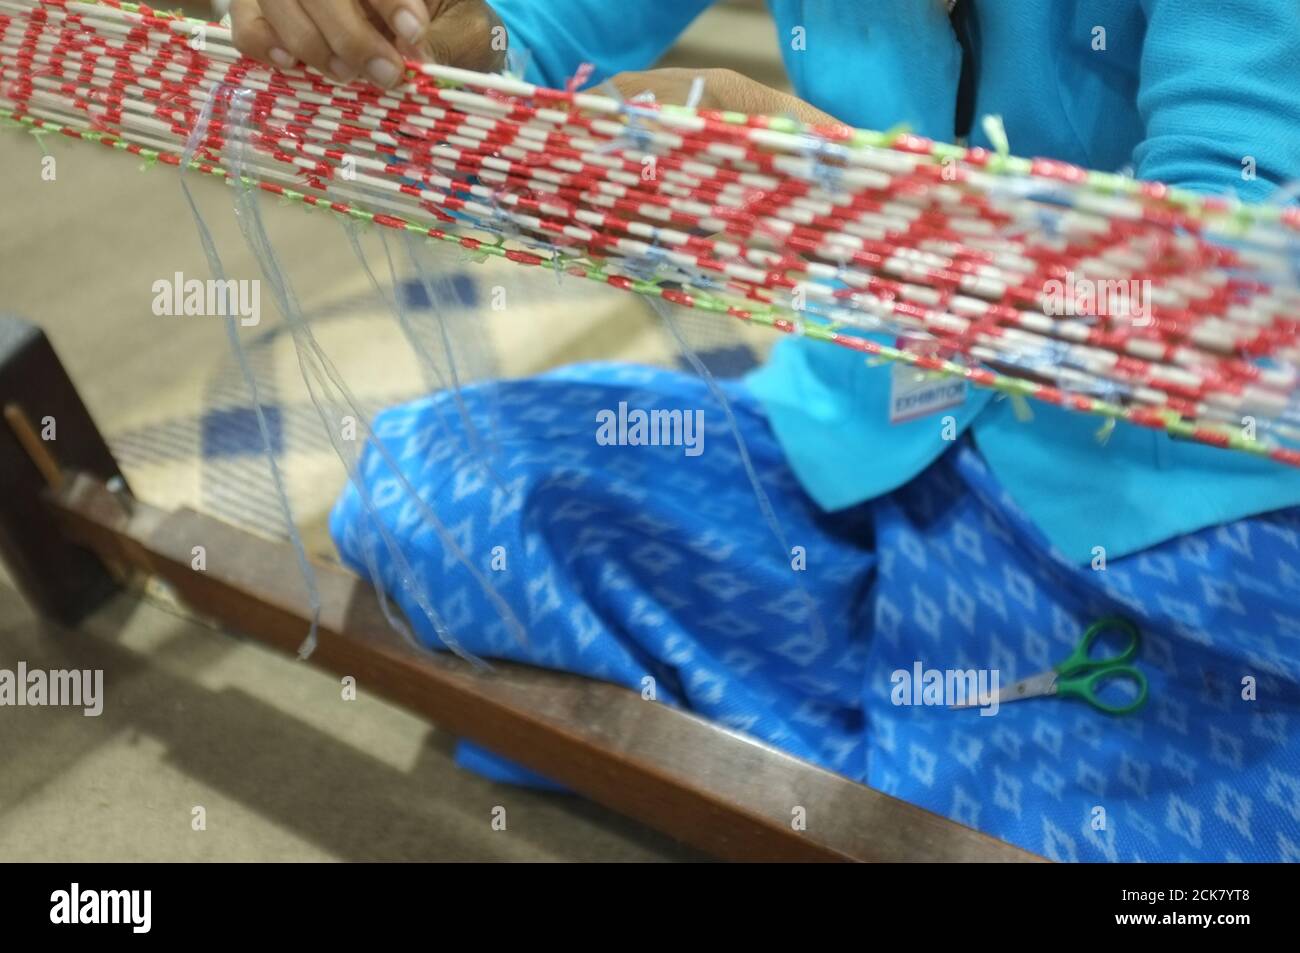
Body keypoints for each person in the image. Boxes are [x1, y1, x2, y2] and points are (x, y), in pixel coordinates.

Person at [233, 1, 1300, 862]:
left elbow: (1214, 282)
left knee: (1028, 823)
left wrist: (847, 196)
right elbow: (531, 32)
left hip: (1158, 513)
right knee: (441, 488)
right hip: (859, 441)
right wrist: (397, 36)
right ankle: (928, 698)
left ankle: (938, 710)